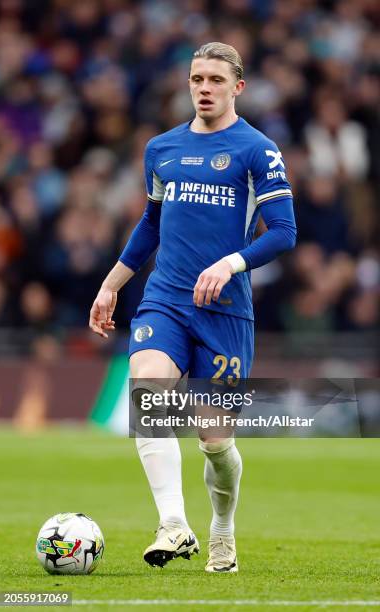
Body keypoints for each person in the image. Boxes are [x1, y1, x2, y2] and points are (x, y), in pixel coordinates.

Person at [89, 42, 297, 573]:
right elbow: (151, 225)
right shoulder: (162, 148)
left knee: (214, 439)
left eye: (216, 80)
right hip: (165, 299)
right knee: (148, 388)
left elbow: (284, 233)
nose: (205, 88)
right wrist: (112, 284)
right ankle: (174, 525)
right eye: (197, 78)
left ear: (237, 88)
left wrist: (231, 264)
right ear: (188, 84)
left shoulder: (257, 150)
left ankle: (222, 528)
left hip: (225, 311)